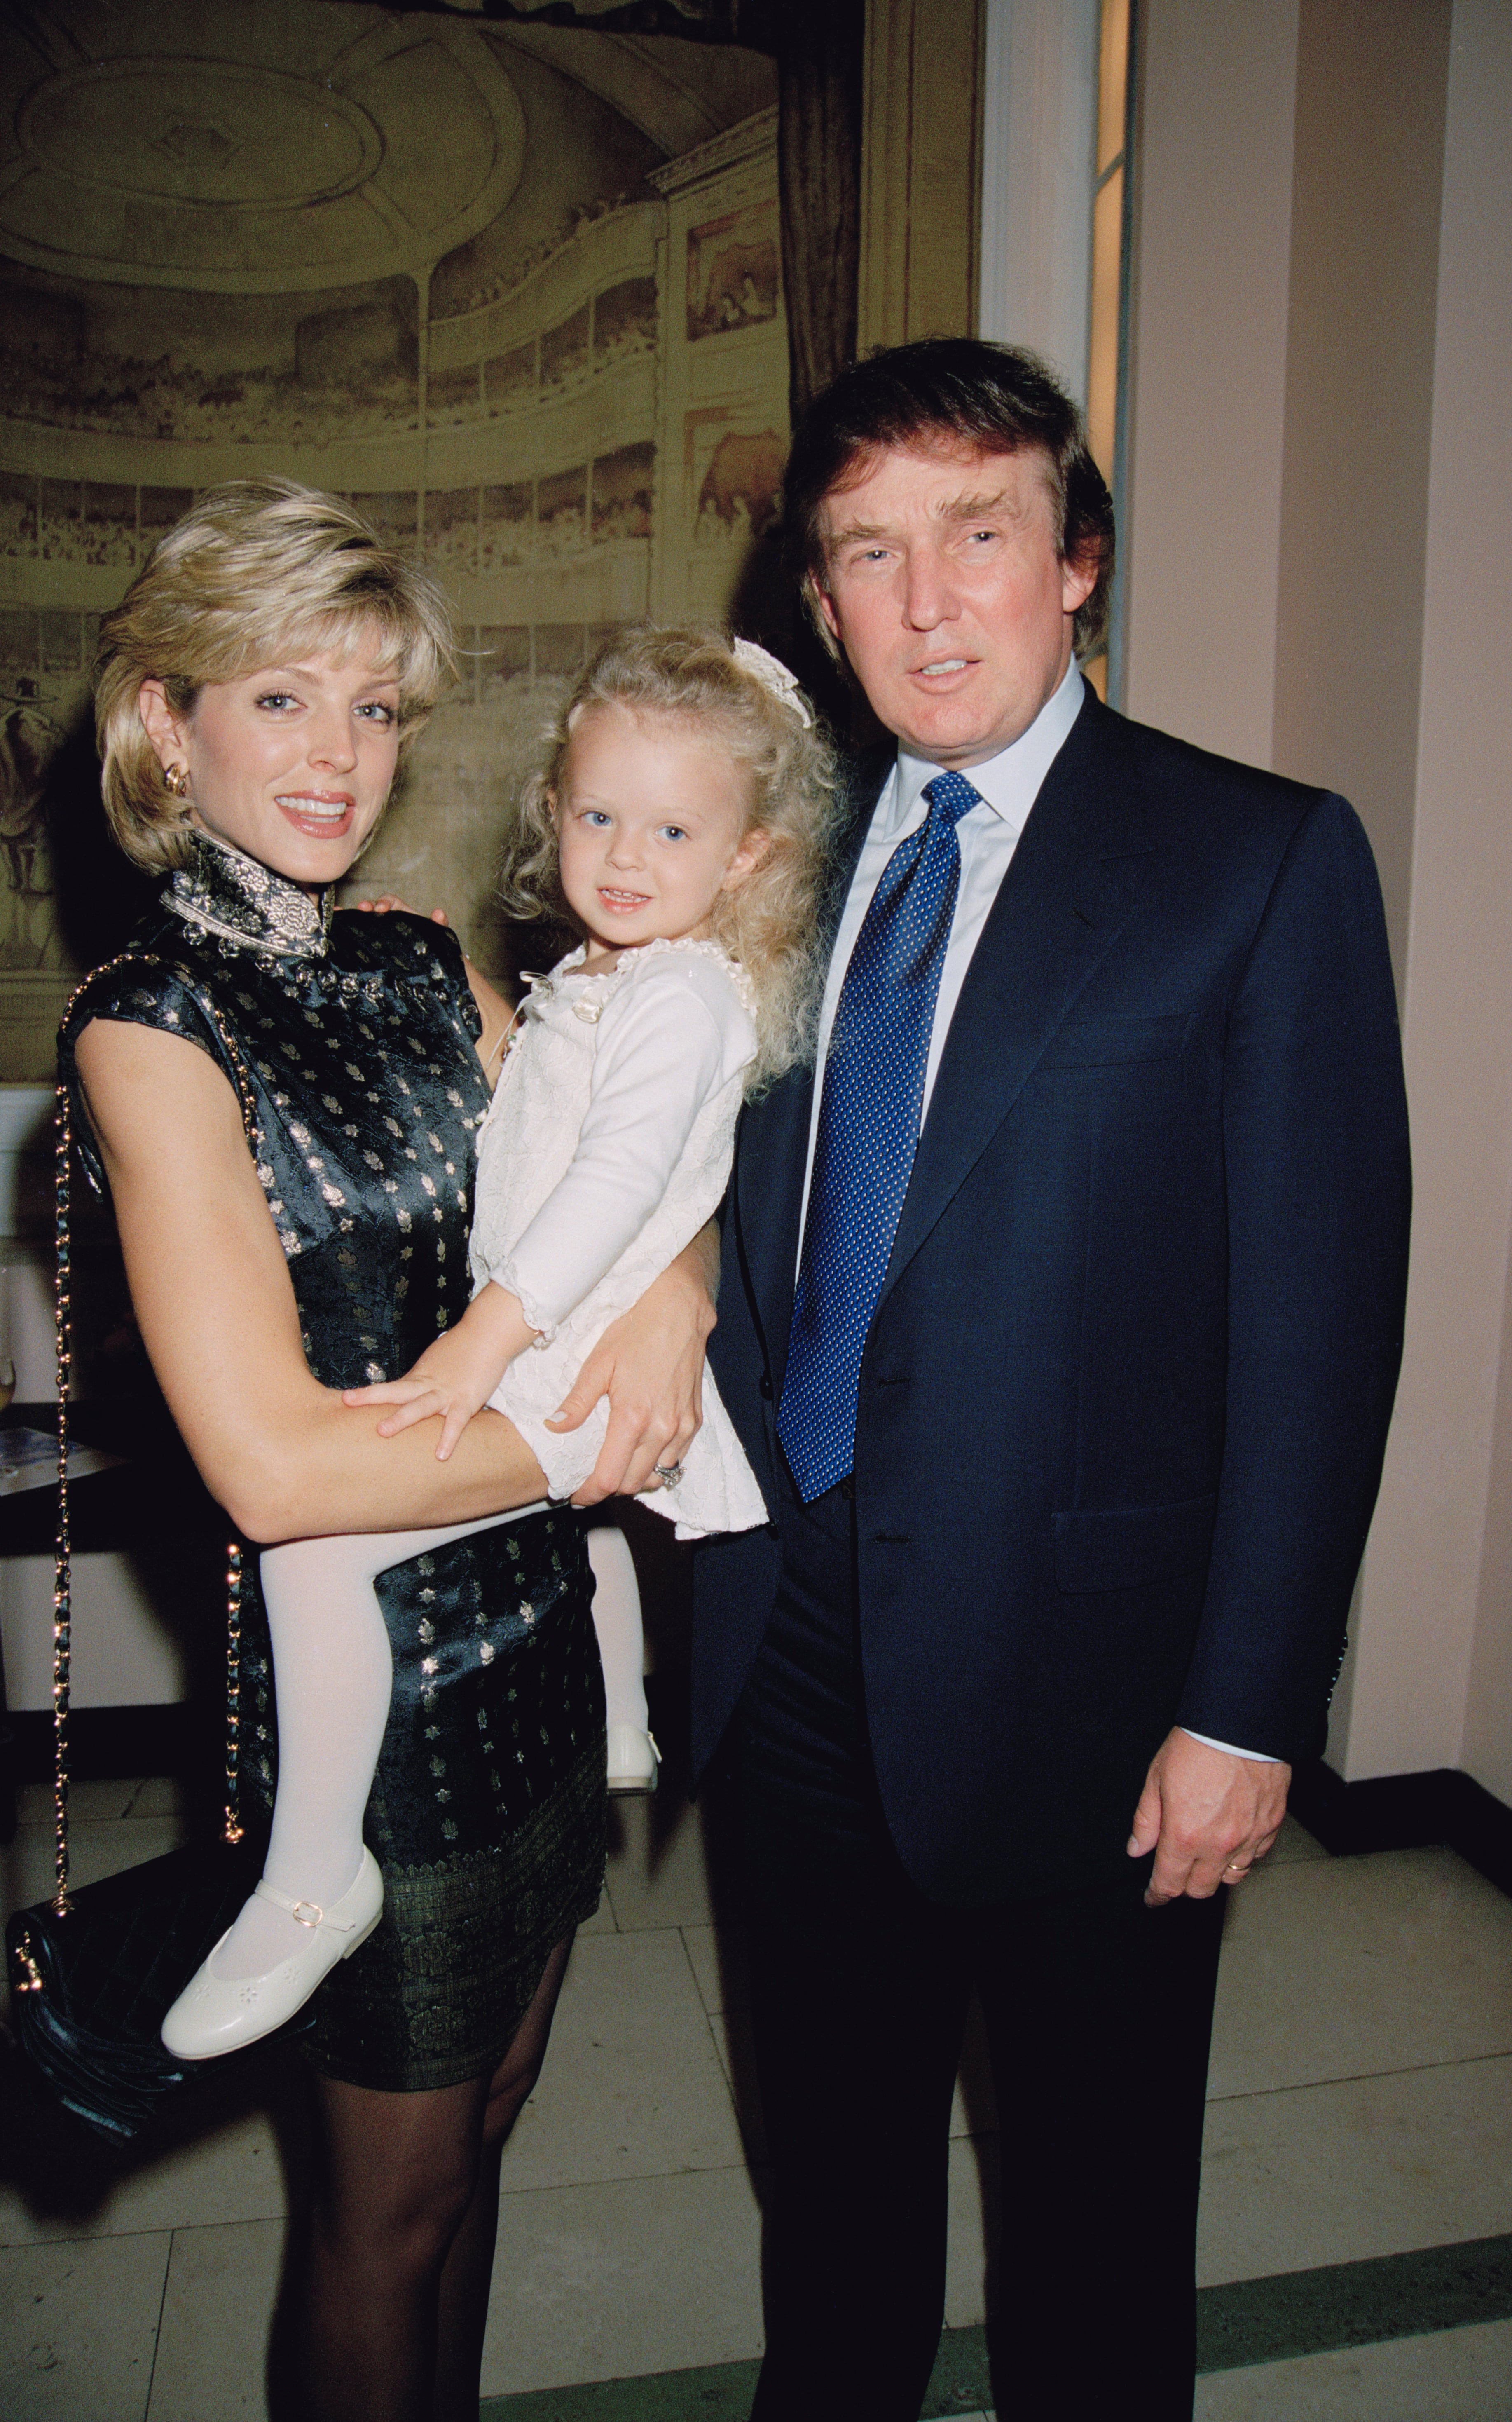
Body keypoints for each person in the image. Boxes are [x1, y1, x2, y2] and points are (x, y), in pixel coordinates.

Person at [690, 339, 1412, 2420]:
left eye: (980, 535)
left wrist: (1248, 1707)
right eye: (871, 554)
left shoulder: (1253, 862)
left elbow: (1319, 1326)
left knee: (1094, 2255)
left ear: (1075, 560)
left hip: (1099, 1689)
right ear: (816, 604)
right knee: (827, 2226)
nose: (929, 604)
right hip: (788, 1651)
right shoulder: (762, 869)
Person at [63, 481, 716, 2422]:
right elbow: (275, 1473)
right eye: (284, 701)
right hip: (376, 1712)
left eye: (374, 707)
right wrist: (588, 1447)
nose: (341, 756)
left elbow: (634, 1147)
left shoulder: (427, 964)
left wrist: (671, 1292)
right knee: (386, 2211)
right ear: (168, 724)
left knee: (489, 2127)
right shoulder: (150, 1025)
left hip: (541, 1656)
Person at [161, 625, 838, 2058]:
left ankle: (312, 1878)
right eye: (598, 816)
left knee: (323, 1550)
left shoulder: (677, 994)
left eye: (671, 829)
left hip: (561, 1351)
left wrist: (487, 1337)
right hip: (569, 1343)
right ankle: (622, 1729)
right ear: (553, 813)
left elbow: (618, 1180)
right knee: (586, 1533)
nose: (625, 854)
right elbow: (536, 1119)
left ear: (749, 861)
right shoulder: (605, 977)